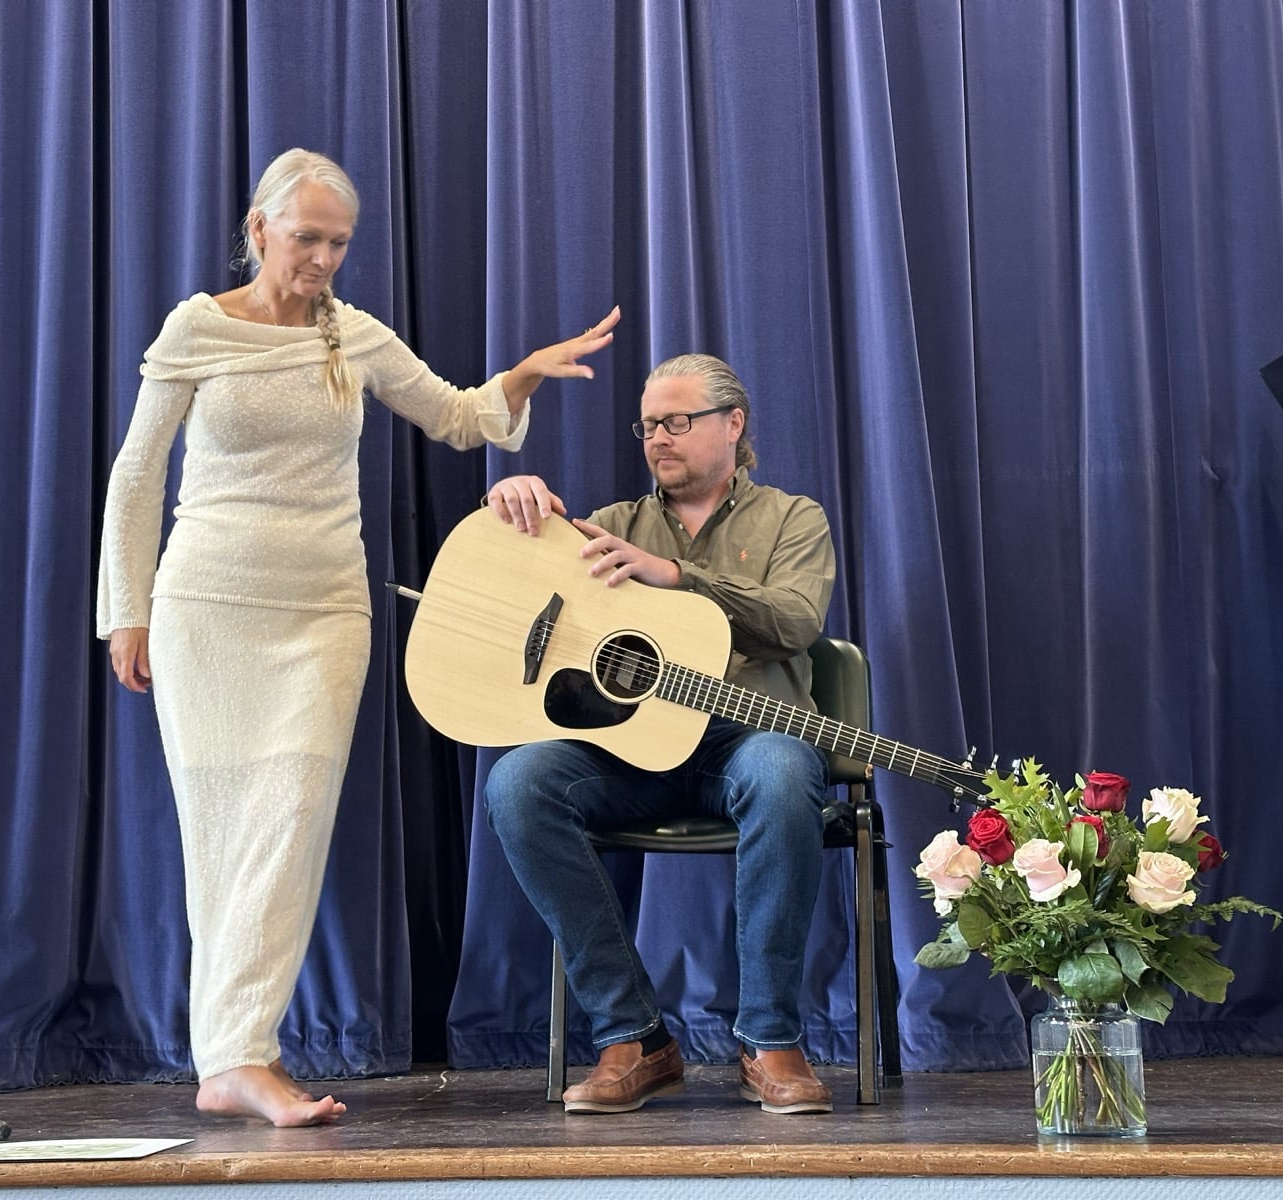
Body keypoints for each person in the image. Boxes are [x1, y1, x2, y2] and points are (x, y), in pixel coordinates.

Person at [97, 148, 618, 1127]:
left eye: (339, 242)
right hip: (208, 606)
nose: (324, 258)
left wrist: (523, 375)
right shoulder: (197, 328)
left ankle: (242, 1051)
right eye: (307, 238)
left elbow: (463, 418)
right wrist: (126, 609)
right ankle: (230, 1059)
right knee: (218, 831)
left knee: (287, 816)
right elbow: (137, 476)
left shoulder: (355, 338)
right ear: (259, 231)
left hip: (324, 612)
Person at [482, 353, 837, 1115]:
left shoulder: (793, 519)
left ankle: (770, 1039)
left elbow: (798, 621)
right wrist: (509, 499)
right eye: (648, 425)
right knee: (518, 783)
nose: (658, 438)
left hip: (743, 744)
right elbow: (512, 579)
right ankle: (634, 1037)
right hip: (631, 754)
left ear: (732, 424)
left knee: (782, 773)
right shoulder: (608, 527)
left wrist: (677, 576)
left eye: (677, 421)